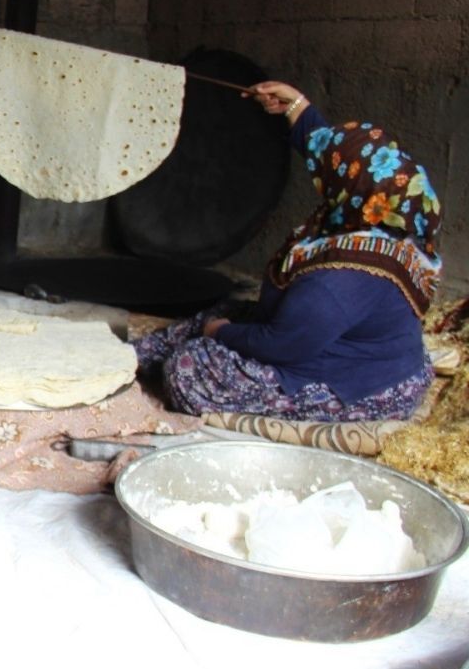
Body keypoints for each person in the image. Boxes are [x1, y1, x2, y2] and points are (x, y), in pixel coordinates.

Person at [134, 82, 441, 422]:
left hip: (362, 385)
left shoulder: (342, 277)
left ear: (347, 191)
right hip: (348, 349)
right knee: (224, 311)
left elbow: (282, 346)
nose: (321, 173)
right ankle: (131, 358)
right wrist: (297, 106)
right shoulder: (394, 215)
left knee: (189, 367)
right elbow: (336, 155)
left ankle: (175, 358)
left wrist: (218, 332)